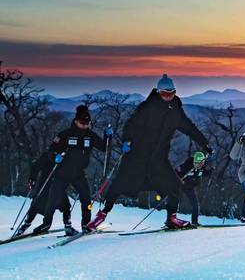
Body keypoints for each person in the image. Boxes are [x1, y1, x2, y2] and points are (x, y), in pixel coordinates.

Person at [86, 74, 212, 230]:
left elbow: (189, 128)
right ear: (159, 92)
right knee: (119, 185)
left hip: (159, 159)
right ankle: (100, 216)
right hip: (137, 156)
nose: (169, 97)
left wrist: (204, 144)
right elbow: (131, 124)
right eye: (165, 94)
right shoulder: (147, 107)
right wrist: (127, 140)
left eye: (172, 93)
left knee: (174, 183)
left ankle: (171, 218)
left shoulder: (176, 111)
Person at [33, 105, 107, 234]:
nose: (85, 125)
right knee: (53, 199)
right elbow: (50, 151)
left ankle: (86, 224)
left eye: (87, 123)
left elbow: (104, 148)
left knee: (86, 199)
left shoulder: (90, 136)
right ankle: (46, 224)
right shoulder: (65, 134)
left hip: (78, 174)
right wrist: (55, 156)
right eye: (82, 122)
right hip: (62, 173)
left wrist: (107, 138)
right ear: (76, 121)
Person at [16, 151, 74, 236]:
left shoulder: (66, 156)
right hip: (45, 185)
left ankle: (68, 226)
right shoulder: (47, 155)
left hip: (57, 186)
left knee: (66, 205)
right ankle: (25, 225)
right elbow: (36, 166)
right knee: (35, 205)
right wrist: (32, 179)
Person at [175, 151, 210, 226]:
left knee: (195, 204)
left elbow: (205, 173)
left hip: (189, 187)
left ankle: (194, 222)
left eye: (202, 163)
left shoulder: (201, 169)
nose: (201, 165)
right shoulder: (187, 166)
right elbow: (176, 171)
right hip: (180, 185)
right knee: (175, 200)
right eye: (200, 163)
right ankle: (171, 220)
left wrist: (209, 171)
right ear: (195, 161)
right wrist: (178, 178)